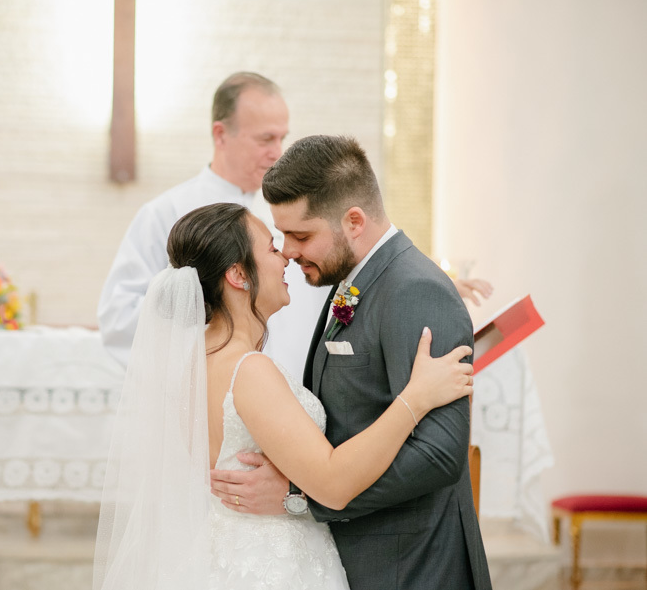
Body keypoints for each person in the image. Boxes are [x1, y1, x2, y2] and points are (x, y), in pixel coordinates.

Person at [92, 202, 475, 589]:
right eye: (273, 250)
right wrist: (416, 399)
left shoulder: (193, 364)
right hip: (274, 566)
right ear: (239, 275)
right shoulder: (248, 370)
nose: (287, 259)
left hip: (228, 554)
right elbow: (332, 483)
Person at [210, 136, 492, 589]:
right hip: (359, 557)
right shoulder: (353, 280)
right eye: (282, 237)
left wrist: (300, 496)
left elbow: (440, 455)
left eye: (301, 236)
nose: (288, 250)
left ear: (354, 221)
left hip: (410, 565)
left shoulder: (416, 290)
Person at [98, 72, 492, 380]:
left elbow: (338, 272)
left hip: (299, 389)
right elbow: (121, 319)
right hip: (213, 396)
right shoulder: (167, 213)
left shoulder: (292, 210)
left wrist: (415, 282)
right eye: (265, 138)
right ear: (221, 134)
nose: (277, 152)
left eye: (282, 137)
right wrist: (218, 339)